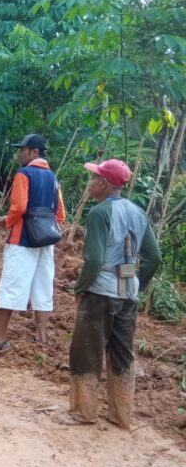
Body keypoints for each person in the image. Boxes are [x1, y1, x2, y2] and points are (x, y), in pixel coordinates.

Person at [68, 159, 161, 429]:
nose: (89, 183)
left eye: (93, 178)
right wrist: (137, 286)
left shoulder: (99, 214)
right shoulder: (138, 212)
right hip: (127, 294)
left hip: (100, 292)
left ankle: (83, 411)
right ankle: (121, 415)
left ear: (103, 184)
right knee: (122, 354)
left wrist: (81, 287)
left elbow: (95, 260)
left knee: (86, 350)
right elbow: (154, 258)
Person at [0, 134, 65, 354]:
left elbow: (19, 208)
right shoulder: (53, 178)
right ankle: (42, 338)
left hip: (22, 240)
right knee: (43, 288)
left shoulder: (24, 174)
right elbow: (61, 214)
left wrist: (6, 222)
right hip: (47, 242)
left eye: (23, 150)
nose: (20, 154)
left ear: (34, 152)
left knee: (10, 287)